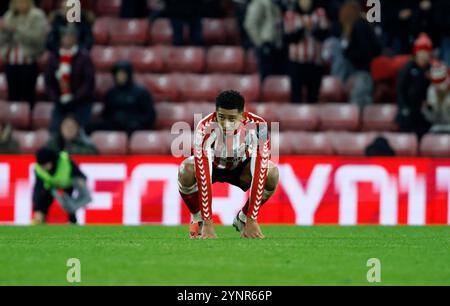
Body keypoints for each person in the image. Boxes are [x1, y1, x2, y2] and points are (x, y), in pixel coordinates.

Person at [178, 90, 279, 239]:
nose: (226, 124)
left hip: (240, 169)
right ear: (215, 113)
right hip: (212, 166)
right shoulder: (204, 127)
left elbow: (260, 169)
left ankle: (242, 218)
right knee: (186, 169)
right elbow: (203, 175)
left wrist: (252, 218)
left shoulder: (259, 126)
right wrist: (208, 223)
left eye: (232, 119)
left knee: (272, 173)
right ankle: (197, 218)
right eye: (221, 117)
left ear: (243, 116)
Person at [329, 0, 381, 108]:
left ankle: (339, 80)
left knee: (359, 104)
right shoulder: (353, 27)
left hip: (362, 72)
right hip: (357, 72)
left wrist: (348, 53)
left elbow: (367, 50)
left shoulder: (360, 26)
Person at [45, 25, 95, 131]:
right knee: (55, 131)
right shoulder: (54, 57)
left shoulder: (84, 58)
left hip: (80, 104)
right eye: (64, 36)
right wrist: (57, 98)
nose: (66, 39)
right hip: (60, 104)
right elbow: (48, 81)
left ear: (75, 38)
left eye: (70, 36)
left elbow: (88, 82)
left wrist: (74, 98)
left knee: (80, 133)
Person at [87, 61, 156, 135]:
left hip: (133, 125)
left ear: (129, 74)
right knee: (89, 127)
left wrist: (134, 121)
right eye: (117, 74)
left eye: (123, 74)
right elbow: (106, 114)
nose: (120, 77)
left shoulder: (141, 92)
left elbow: (150, 116)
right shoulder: (111, 93)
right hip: (114, 125)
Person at [0, 0, 48, 106]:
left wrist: (15, 30)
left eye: (23, 2)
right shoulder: (9, 15)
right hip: (11, 61)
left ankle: (28, 119)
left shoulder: (37, 16)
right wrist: (3, 31)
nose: (20, 5)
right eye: (17, 2)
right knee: (12, 96)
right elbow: (2, 41)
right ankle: (13, 118)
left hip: (28, 61)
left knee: (27, 96)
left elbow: (38, 39)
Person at [283, 0, 329, 103]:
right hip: (296, 63)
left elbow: (324, 35)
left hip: (315, 62)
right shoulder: (290, 15)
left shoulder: (320, 13)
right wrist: (303, 28)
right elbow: (289, 38)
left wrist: (312, 29)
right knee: (296, 97)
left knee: (313, 97)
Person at [33, 147, 92, 225]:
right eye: (41, 166)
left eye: (45, 165)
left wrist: (81, 182)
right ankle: (40, 218)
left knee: (68, 201)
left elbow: (79, 175)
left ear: (51, 161)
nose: (43, 168)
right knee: (42, 197)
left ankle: (73, 221)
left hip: (67, 185)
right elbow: (38, 189)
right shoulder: (39, 169)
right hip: (51, 187)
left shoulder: (65, 161)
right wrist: (38, 208)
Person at [396, 33, 433, 138]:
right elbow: (400, 89)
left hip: (424, 111)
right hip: (409, 109)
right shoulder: (408, 68)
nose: (424, 55)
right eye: (421, 52)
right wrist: (403, 107)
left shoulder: (432, 70)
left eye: (426, 52)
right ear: (416, 53)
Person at [244, 0, 285, 81]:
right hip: (265, 46)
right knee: (266, 78)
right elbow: (250, 24)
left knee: (276, 80)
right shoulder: (259, 2)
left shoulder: (276, 3)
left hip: (276, 46)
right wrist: (260, 43)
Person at [422, 61, 450, 134]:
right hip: (437, 127)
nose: (438, 87)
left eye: (440, 83)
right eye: (436, 83)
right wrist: (428, 110)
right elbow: (432, 119)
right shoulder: (431, 90)